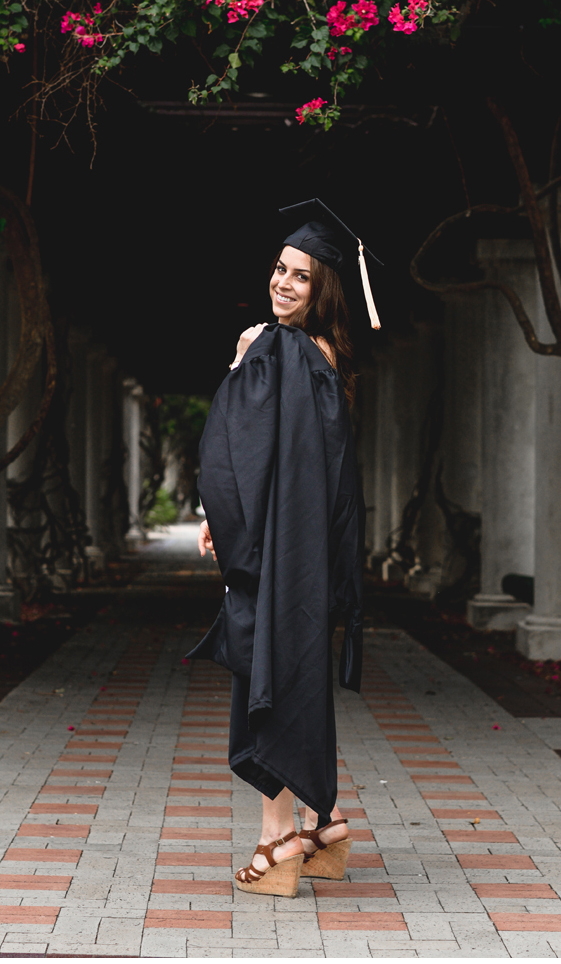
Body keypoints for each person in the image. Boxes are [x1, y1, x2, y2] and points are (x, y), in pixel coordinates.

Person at [186, 199, 383, 897]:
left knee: (266, 681)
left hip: (274, 558)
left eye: (301, 275)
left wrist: (241, 360)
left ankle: (277, 845)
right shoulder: (326, 357)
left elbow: (238, 448)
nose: (284, 283)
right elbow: (291, 466)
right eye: (279, 269)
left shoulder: (275, 349)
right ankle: (323, 823)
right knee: (295, 675)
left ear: (323, 287)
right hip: (307, 555)